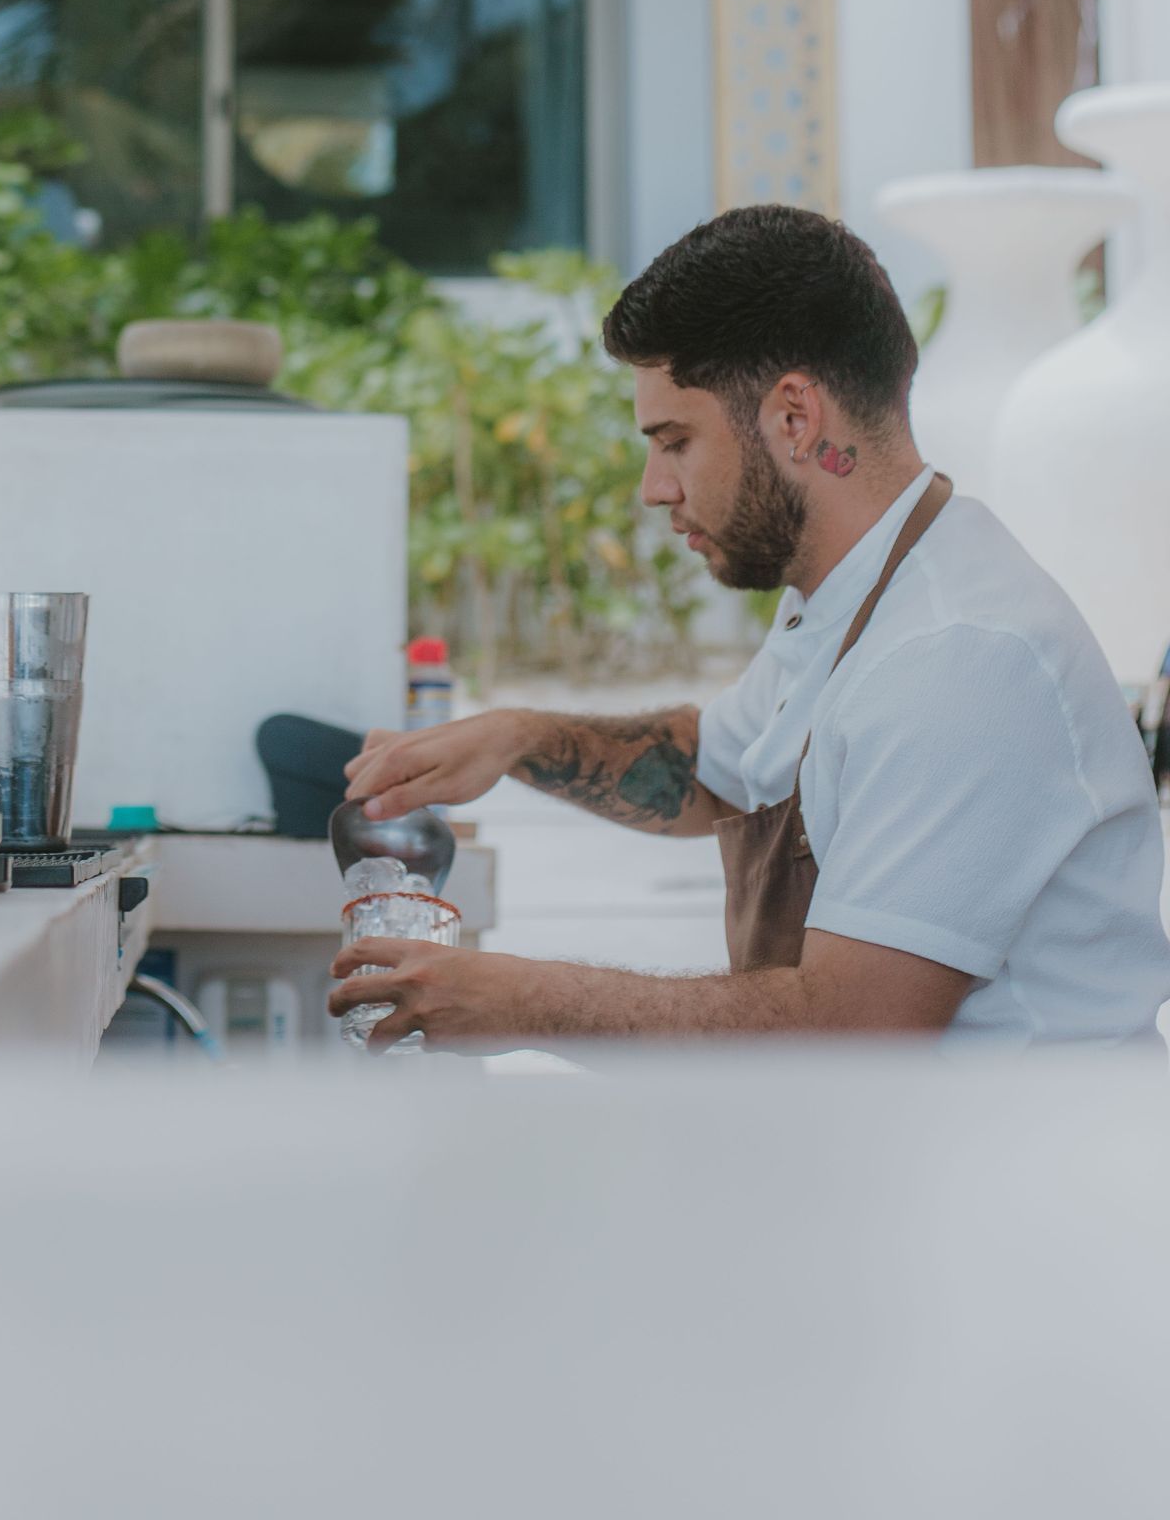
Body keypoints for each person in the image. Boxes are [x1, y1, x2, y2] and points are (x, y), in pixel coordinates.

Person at [329, 204, 1170, 1051]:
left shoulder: (963, 657)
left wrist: (522, 1000)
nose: (655, 488)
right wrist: (517, 740)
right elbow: (715, 771)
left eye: (675, 441)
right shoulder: (851, 594)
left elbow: (853, 1029)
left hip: (1030, 1174)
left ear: (795, 417)